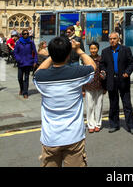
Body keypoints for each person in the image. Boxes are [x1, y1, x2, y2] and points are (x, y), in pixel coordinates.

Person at [33, 36, 96, 167]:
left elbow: (38, 71)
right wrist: (79, 50)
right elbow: (92, 66)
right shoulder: (77, 73)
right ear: (68, 55)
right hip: (74, 137)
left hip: (50, 138)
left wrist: (54, 54)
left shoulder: (41, 78)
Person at [100, 32, 133, 135]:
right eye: (110, 39)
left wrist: (127, 73)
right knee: (113, 104)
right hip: (111, 80)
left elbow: (131, 63)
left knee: (127, 104)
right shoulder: (105, 51)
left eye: (114, 39)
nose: (112, 40)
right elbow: (102, 64)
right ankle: (114, 124)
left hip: (123, 80)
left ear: (118, 39)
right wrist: (103, 71)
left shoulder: (125, 50)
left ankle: (131, 126)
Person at [82, 41, 106, 133]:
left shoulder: (101, 59)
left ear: (97, 49)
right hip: (88, 86)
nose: (93, 50)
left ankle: (98, 124)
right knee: (89, 106)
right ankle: (90, 124)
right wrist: (83, 89)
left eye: (95, 48)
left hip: (99, 85)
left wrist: (105, 87)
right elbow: (83, 75)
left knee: (98, 106)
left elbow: (104, 72)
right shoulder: (86, 59)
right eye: (91, 49)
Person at [13, 29, 38, 98]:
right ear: (22, 35)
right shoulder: (19, 42)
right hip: (21, 63)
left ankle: (25, 92)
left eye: (27, 34)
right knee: (19, 78)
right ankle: (21, 88)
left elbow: (35, 52)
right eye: (24, 34)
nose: (26, 35)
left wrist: (35, 61)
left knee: (26, 78)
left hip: (28, 62)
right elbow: (15, 52)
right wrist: (18, 59)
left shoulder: (31, 42)